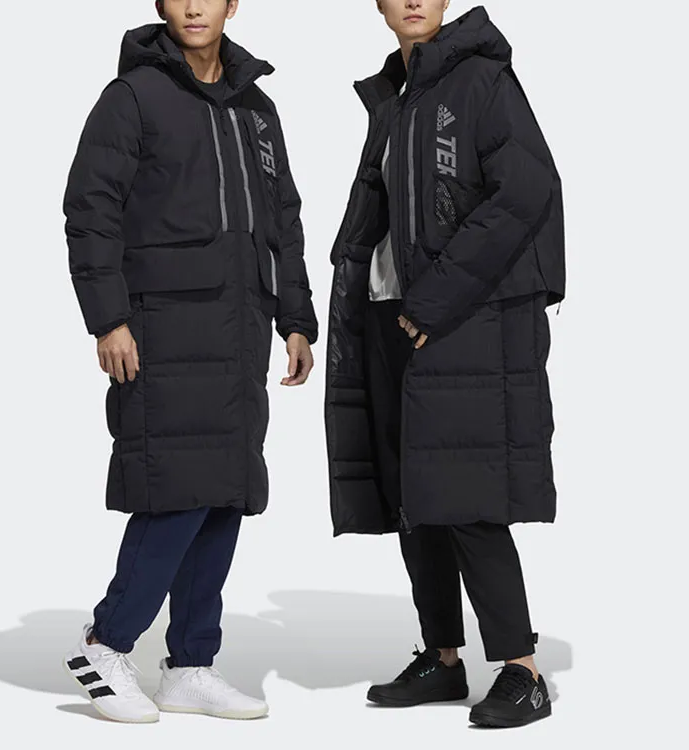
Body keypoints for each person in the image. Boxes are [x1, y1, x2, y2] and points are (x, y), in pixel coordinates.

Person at [62, 0, 317, 724]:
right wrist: (108, 317)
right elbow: (91, 209)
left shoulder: (257, 109)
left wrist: (296, 319)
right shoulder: (133, 97)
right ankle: (105, 644)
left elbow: (284, 219)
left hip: (242, 327)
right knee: (176, 487)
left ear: (233, 4)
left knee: (226, 491)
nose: (194, 6)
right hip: (163, 327)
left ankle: (191, 664)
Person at [324, 1, 565, 729]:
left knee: (466, 496)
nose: (412, 1)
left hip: (458, 319)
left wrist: (433, 301)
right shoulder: (397, 95)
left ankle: (522, 671)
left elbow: (524, 191)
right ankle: (442, 657)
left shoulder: (482, 81)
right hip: (391, 313)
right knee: (414, 497)